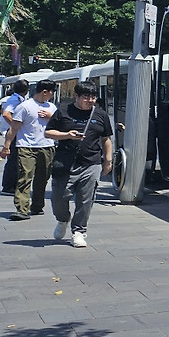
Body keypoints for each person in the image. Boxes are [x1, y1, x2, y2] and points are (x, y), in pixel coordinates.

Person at [45, 81, 113, 248]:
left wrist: (108, 160)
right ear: (76, 96)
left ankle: (79, 232)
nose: (90, 101)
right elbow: (48, 132)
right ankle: (63, 219)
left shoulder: (100, 115)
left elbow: (106, 139)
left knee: (85, 200)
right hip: (65, 163)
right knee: (59, 199)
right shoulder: (63, 111)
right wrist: (67, 135)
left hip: (91, 162)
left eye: (93, 97)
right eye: (86, 97)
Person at [5, 80, 57, 220]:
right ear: (45, 92)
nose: (52, 95)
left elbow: (60, 125)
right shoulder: (24, 106)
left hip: (47, 146)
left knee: (42, 178)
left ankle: (37, 206)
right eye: (52, 92)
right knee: (25, 176)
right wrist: (6, 146)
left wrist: (50, 117)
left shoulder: (52, 107)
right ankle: (22, 209)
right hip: (26, 147)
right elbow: (14, 128)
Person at [0, 80, 29, 193]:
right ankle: (9, 185)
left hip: (13, 131)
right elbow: (6, 114)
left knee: (15, 159)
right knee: (13, 159)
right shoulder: (15, 100)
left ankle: (11, 184)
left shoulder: (16, 99)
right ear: (26, 90)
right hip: (13, 132)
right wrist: (16, 126)